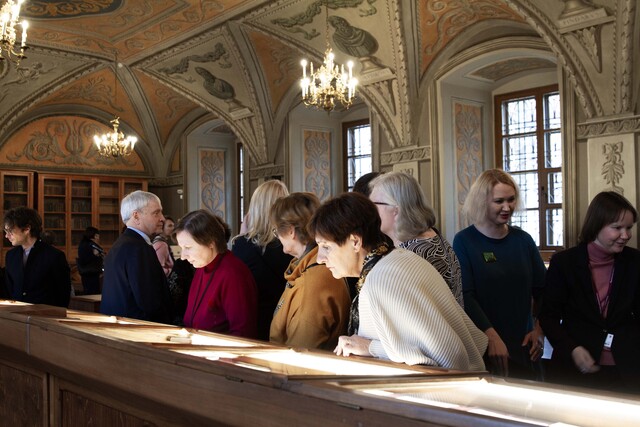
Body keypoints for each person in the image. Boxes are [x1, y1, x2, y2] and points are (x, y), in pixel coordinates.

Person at [310, 192, 487, 370]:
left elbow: (445, 358)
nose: (320, 258)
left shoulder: (381, 279)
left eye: (326, 247)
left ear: (355, 241)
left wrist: (371, 347)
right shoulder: (397, 257)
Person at [539, 191, 640, 393]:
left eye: (629, 228)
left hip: (625, 370)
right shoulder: (564, 263)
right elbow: (548, 317)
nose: (626, 235)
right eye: (617, 228)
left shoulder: (635, 261)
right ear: (597, 225)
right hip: (575, 369)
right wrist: (572, 349)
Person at [453, 168, 546, 379]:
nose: (507, 207)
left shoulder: (523, 240)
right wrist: (492, 337)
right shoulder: (464, 241)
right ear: (482, 202)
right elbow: (465, 296)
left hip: (525, 346)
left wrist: (539, 330)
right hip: (485, 347)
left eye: (511, 200)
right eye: (499, 201)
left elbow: (543, 290)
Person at [269, 192, 351, 350]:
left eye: (276, 231)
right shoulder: (308, 266)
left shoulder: (315, 279)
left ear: (291, 231)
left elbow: (301, 348)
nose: (277, 237)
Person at [369, 172, 463, 307]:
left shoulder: (413, 253)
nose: (370, 211)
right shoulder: (429, 237)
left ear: (396, 209)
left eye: (373, 205)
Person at [175, 210, 257, 338]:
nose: (183, 256)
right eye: (181, 248)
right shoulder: (202, 265)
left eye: (188, 247)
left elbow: (243, 333)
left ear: (210, 242)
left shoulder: (233, 274)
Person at [231, 180, 293, 341]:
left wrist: (243, 236)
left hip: (254, 322)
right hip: (288, 322)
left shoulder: (241, 245)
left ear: (255, 207)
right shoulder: (292, 245)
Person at [100, 191, 173, 323]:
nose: (162, 218)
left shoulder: (121, 244)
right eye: (156, 213)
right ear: (136, 216)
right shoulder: (138, 248)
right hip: (138, 328)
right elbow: (150, 302)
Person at [3, 207, 71, 307]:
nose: (6, 236)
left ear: (27, 229)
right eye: (5, 231)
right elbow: (9, 290)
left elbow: (63, 293)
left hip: (45, 314)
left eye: (10, 231)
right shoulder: (11, 255)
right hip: (17, 312)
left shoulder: (54, 256)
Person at [77, 226, 105, 295]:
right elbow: (102, 254)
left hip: (85, 273)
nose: (98, 238)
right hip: (93, 272)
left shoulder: (82, 244)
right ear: (94, 236)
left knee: (88, 293)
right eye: (97, 236)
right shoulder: (92, 245)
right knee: (94, 294)